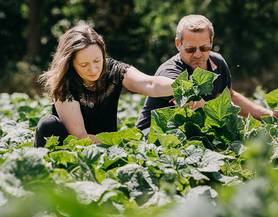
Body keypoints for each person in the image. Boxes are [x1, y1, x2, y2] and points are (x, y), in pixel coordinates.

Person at [136, 14, 278, 135]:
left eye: (204, 47)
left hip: (188, 132)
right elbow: (197, 108)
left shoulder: (217, 62)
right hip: (153, 135)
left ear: (211, 42)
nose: (198, 54)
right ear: (178, 44)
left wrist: (269, 116)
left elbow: (228, 96)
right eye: (190, 49)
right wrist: (237, 132)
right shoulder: (170, 73)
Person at [33, 23, 174, 147]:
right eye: (84, 65)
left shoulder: (114, 69)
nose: (93, 70)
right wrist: (125, 142)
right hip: (72, 151)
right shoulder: (65, 84)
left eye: (97, 60)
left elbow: (150, 84)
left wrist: (184, 87)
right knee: (48, 124)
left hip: (108, 150)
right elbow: (79, 137)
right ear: (71, 64)